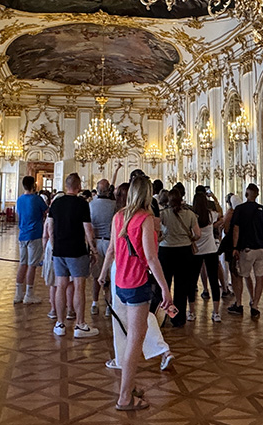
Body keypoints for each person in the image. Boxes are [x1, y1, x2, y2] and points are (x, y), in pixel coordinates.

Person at [97, 175, 173, 412]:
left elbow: (110, 250)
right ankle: (124, 398)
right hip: (138, 283)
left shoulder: (119, 216)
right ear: (148, 194)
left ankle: (129, 387)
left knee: (132, 336)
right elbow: (151, 258)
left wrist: (102, 275)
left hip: (121, 283)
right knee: (134, 341)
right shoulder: (146, 218)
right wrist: (165, 288)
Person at [48, 173, 99, 338]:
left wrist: (54, 247)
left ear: (66, 185)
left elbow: (50, 227)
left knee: (60, 286)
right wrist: (93, 249)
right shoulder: (82, 204)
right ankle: (80, 324)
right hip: (77, 250)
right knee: (79, 287)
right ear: (78, 187)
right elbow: (88, 229)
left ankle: (60, 324)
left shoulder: (56, 203)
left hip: (59, 250)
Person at [159, 188, 200, 326]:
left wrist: (164, 237)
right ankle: (178, 318)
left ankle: (163, 318)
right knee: (181, 287)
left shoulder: (163, 214)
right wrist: (189, 238)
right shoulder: (190, 214)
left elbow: (157, 231)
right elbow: (198, 234)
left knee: (164, 286)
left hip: (166, 251)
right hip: (184, 251)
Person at [229, 183, 263, 318]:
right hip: (260, 249)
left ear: (246, 194)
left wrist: (235, 247)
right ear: (257, 194)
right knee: (259, 277)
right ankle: (255, 305)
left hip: (246, 249)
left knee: (241, 276)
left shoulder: (240, 209)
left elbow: (236, 230)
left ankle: (239, 303)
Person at [189, 190, 222, 322]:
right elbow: (220, 212)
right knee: (214, 281)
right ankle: (216, 312)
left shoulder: (191, 216)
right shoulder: (210, 214)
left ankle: (191, 312)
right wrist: (214, 197)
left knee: (192, 282)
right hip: (211, 251)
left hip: (196, 252)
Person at [14, 175, 47, 305]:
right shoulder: (37, 199)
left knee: (23, 264)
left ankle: (18, 294)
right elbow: (47, 212)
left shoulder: (20, 199)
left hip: (22, 234)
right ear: (34, 185)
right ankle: (29, 294)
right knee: (32, 265)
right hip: (35, 234)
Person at [89, 178, 117, 315]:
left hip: (95, 242)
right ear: (107, 191)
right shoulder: (114, 205)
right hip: (110, 242)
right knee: (111, 276)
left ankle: (94, 303)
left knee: (96, 275)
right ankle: (109, 305)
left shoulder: (91, 204)